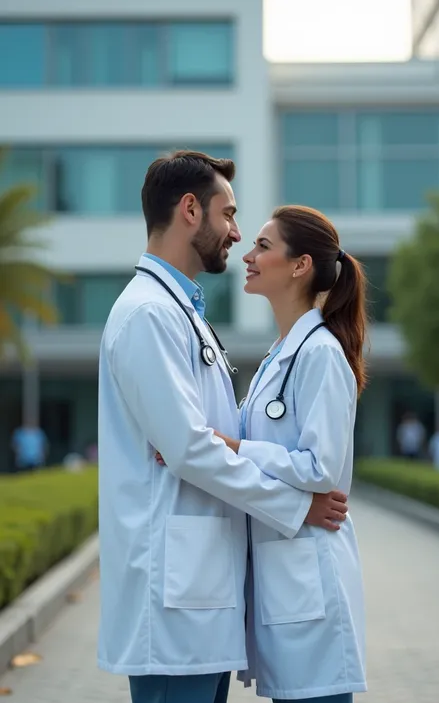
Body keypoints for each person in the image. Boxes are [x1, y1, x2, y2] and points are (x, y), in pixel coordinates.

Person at [97, 151, 348, 703]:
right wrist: (296, 507)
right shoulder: (149, 315)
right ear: (191, 210)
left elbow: (214, 440)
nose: (236, 234)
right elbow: (190, 450)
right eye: (228, 215)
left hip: (202, 593)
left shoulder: (183, 313)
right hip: (174, 600)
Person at [213, 206, 368, 702]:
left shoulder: (320, 353)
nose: (248, 255)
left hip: (312, 586)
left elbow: (321, 469)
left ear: (300, 265)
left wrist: (238, 447)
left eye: (262, 246)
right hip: (286, 587)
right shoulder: (280, 355)